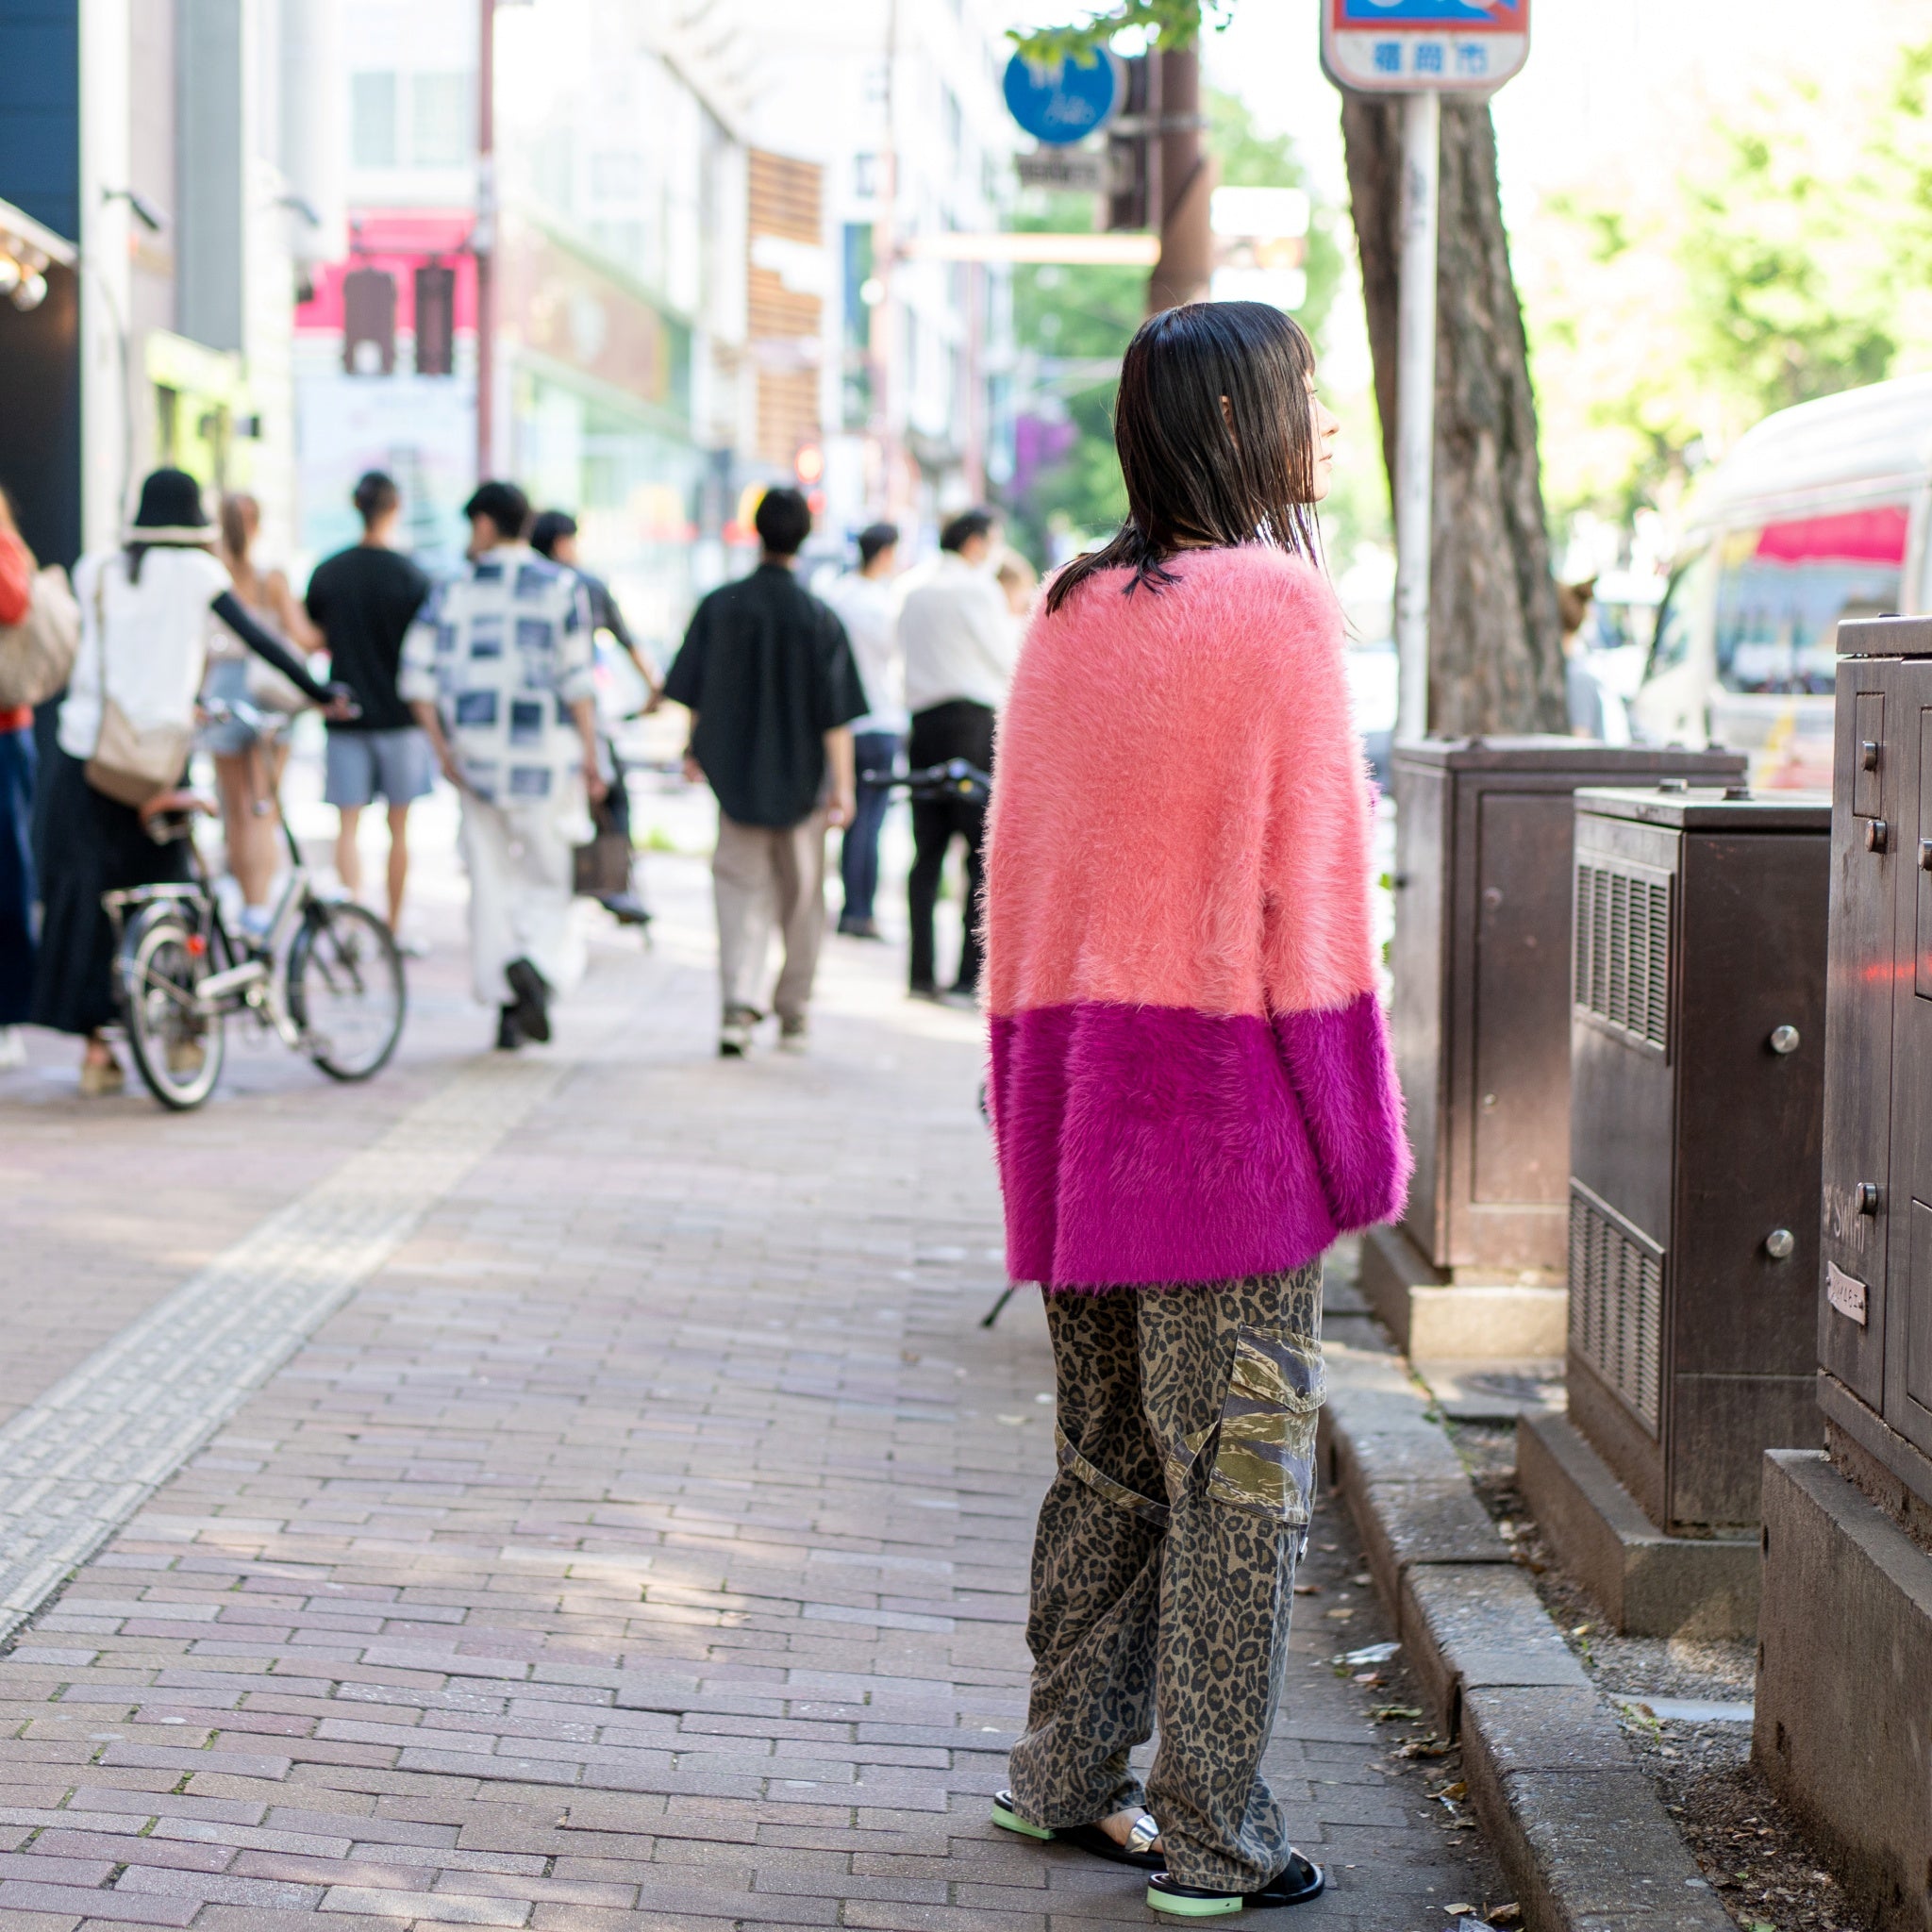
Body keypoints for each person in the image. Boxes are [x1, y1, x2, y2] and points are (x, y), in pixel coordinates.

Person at [980, 303, 1409, 1916]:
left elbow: (1013, 884)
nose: (1323, 428)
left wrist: (1025, 1107)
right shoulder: (1278, 612)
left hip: (1077, 1104)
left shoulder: (1068, 605)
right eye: (1304, 399)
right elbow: (1313, 910)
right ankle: (1219, 1836)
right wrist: (1357, 1148)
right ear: (1240, 420)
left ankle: (1060, 1773)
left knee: (1104, 1457)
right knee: (1237, 1472)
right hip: (1222, 1124)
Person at [30, 467, 347, 1094]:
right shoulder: (202, 574)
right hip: (156, 762)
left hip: (86, 756)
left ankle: (96, 1053)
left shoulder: (97, 568)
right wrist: (321, 692)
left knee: (91, 898)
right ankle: (180, 1041)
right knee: (171, 891)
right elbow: (262, 641)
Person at [399, 480, 605, 1052]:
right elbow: (578, 682)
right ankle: (537, 966)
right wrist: (592, 755)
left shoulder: (452, 590)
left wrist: (443, 751)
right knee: (549, 876)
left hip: (475, 760)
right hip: (547, 759)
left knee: (489, 881)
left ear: (486, 525)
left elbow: (415, 679)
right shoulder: (562, 587)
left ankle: (507, 1001)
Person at [663, 486, 865, 1058]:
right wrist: (843, 788)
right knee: (802, 901)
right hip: (803, 784)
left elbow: (693, 690)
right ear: (804, 536)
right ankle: (793, 1012)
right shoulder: (819, 616)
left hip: (736, 782)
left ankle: (736, 1008)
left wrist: (693, 748)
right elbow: (837, 715)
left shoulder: (720, 605)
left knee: (736, 890)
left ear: (756, 531)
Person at [305, 472, 434, 947]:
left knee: (348, 827)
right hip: (402, 719)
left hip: (346, 715)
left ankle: (352, 931)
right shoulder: (413, 576)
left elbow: (313, 638)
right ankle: (394, 929)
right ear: (395, 507)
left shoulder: (329, 571)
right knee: (399, 830)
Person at [896, 507, 1016, 1001]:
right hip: (971, 727)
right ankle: (967, 976)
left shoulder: (912, 589)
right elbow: (1005, 659)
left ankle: (919, 974)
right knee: (976, 856)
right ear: (973, 543)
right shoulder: (977, 589)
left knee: (925, 853)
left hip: (922, 728)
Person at [206, 492, 324, 943]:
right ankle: (258, 908)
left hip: (222, 688)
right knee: (263, 807)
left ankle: (243, 902)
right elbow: (303, 636)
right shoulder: (270, 579)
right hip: (266, 691)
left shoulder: (216, 574)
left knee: (234, 809)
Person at [819, 521, 905, 939]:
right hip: (878, 720)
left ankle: (846, 908)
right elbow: (897, 655)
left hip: (839, 724)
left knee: (846, 817)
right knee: (870, 822)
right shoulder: (880, 603)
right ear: (885, 553)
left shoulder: (833, 595)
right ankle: (859, 912)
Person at [528, 509, 664, 708]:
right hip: (578, 701)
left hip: (531, 699)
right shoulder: (587, 586)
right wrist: (653, 689)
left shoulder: (526, 587)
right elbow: (627, 641)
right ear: (561, 544)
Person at [0, 487, 37, 1069]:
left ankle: (8, 1018)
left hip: (4, 733)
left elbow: (13, 603)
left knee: (7, 870)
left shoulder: (6, 546)